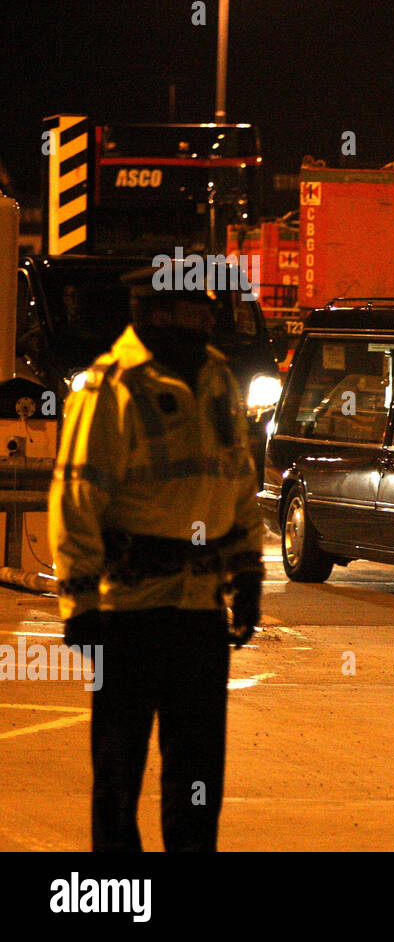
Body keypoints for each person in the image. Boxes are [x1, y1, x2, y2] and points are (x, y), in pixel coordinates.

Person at [49, 269, 264, 852]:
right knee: (119, 778)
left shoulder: (217, 377)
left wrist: (248, 573)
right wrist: (80, 605)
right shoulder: (110, 386)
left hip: (198, 612)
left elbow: (238, 481)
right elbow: (76, 495)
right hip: (128, 614)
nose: (210, 319)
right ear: (162, 313)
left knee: (197, 779)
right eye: (199, 308)